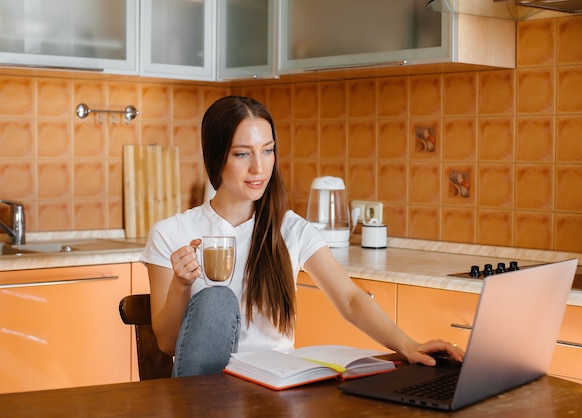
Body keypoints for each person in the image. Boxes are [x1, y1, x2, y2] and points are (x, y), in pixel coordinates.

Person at [140, 95, 464, 377]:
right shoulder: (172, 234)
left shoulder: (289, 228)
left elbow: (350, 300)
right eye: (242, 154)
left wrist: (408, 345)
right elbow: (167, 342)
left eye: (267, 151)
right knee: (215, 301)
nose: (259, 167)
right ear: (216, 157)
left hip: (275, 386)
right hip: (207, 394)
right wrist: (181, 286)